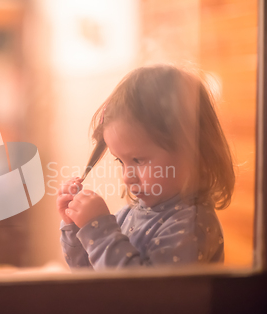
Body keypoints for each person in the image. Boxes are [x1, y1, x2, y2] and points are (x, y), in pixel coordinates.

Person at [57, 65, 235, 270]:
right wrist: (75, 226)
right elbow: (90, 274)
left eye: (138, 160)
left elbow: (141, 293)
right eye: (120, 161)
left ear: (194, 153)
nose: (127, 176)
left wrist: (98, 230)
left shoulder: (191, 225)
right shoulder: (129, 214)